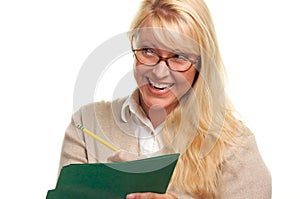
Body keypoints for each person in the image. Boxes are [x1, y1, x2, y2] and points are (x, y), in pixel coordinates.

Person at [58, 0, 272, 198]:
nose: (159, 73)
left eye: (179, 57)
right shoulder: (87, 124)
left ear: (201, 64)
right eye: (148, 51)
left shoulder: (234, 145)